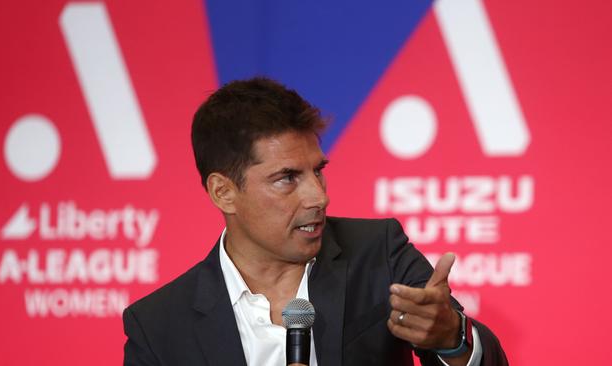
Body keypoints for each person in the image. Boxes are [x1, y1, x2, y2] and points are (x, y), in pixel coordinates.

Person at [123, 77, 508, 365]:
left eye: (317, 171)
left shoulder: (378, 253)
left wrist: (452, 337)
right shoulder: (158, 325)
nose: (318, 196)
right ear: (223, 192)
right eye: (287, 178)